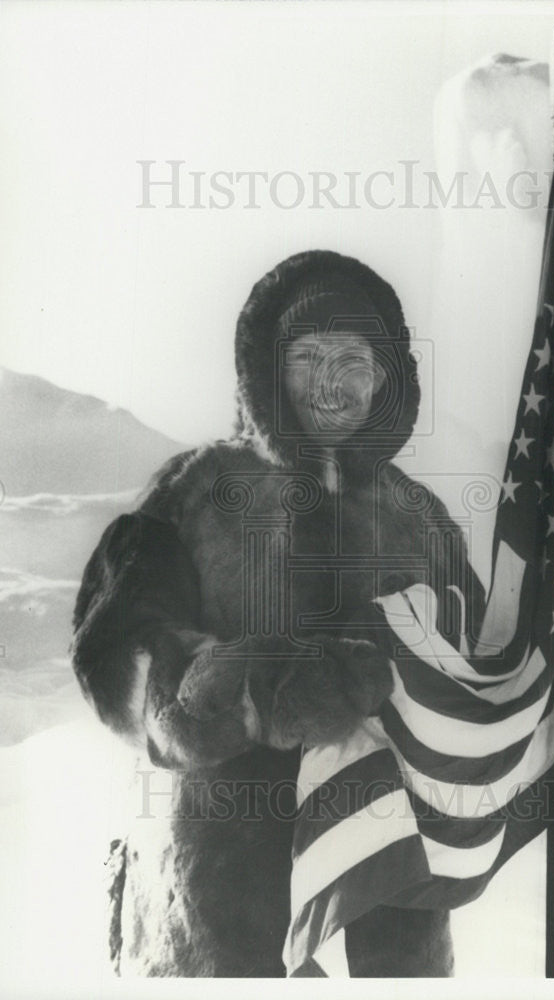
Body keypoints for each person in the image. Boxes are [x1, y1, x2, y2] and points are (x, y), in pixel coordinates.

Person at [71, 249, 485, 976]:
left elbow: (469, 670)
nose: (331, 381)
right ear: (269, 369)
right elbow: (116, 654)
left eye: (354, 358)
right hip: (224, 886)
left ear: (388, 376)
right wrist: (238, 689)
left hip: (387, 884)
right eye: (308, 356)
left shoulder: (420, 520)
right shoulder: (196, 489)